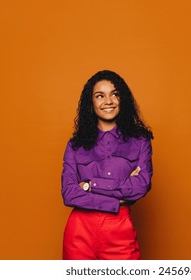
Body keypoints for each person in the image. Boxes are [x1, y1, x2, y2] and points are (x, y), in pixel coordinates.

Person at [61, 70, 154, 260]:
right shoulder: (75, 145)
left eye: (114, 94)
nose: (108, 101)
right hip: (79, 234)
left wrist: (89, 185)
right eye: (99, 96)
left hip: (121, 232)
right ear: (91, 103)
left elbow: (140, 187)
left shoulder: (140, 141)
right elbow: (69, 193)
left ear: (123, 99)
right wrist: (115, 200)